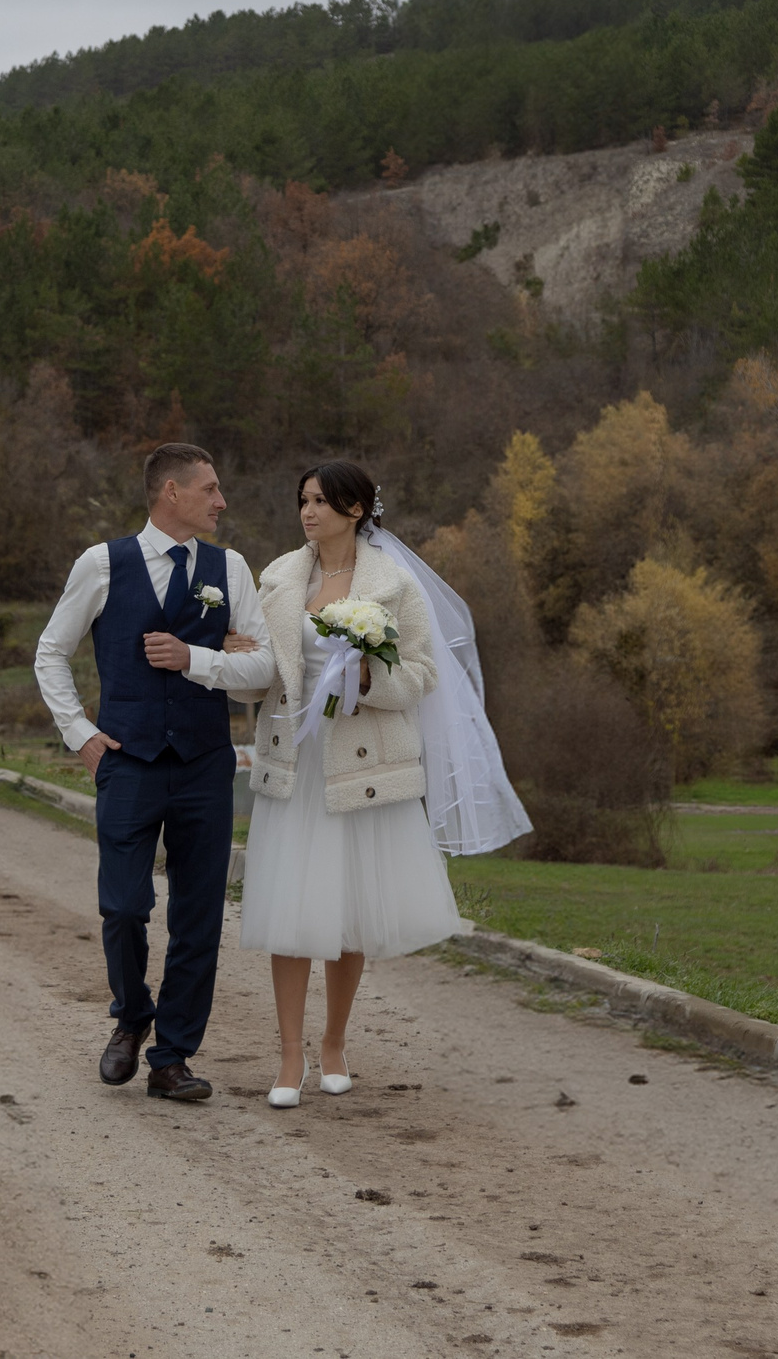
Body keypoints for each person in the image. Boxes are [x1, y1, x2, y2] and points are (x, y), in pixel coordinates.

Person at [235, 460, 524, 1110]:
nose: (309, 512)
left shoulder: (394, 584)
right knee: (289, 914)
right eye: (303, 499)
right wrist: (234, 656)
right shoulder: (278, 577)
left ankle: (334, 1041)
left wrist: (367, 679)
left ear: (357, 509)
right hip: (294, 764)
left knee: (349, 914)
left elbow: (423, 673)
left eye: (322, 501)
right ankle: (288, 1056)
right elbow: (263, 675)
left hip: (360, 765)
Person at [32, 442, 274, 1102]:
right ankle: (132, 1013)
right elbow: (50, 652)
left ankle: (172, 1058)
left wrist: (196, 657)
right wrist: (80, 734)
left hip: (204, 766)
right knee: (123, 906)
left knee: (198, 918)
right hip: (128, 761)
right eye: (210, 489)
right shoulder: (101, 564)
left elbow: (264, 668)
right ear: (171, 491)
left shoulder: (232, 568)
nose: (222, 501)